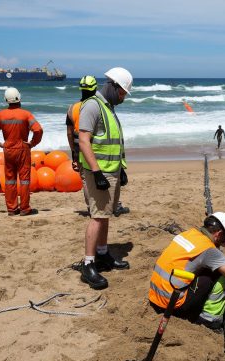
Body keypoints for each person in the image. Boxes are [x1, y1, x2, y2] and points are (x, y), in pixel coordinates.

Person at [149, 212, 225, 330]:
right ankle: (210, 321)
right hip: (172, 306)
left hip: (155, 297)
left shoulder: (188, 233)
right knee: (220, 274)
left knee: (208, 269)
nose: (220, 245)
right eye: (222, 241)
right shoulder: (209, 250)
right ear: (219, 234)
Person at [78, 67, 133, 290]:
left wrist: (121, 168)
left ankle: (102, 255)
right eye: (122, 93)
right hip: (98, 172)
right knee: (97, 216)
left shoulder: (108, 107)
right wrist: (97, 172)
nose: (123, 98)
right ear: (114, 86)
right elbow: (83, 141)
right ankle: (88, 264)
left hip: (111, 171)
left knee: (105, 215)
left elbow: (112, 141)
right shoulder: (92, 105)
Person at [0, 87, 43, 216]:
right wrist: (32, 143)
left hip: (8, 150)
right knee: (24, 180)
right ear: (19, 98)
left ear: (6, 100)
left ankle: (12, 209)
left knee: (10, 180)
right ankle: (24, 208)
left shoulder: (1, 115)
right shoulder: (26, 114)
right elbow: (38, 130)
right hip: (23, 149)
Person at [66, 75, 98, 211]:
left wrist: (73, 151)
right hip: (96, 147)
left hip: (79, 147)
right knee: (100, 174)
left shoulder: (72, 108)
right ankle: (100, 204)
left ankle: (90, 206)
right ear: (95, 89)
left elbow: (69, 133)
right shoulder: (98, 106)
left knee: (85, 178)